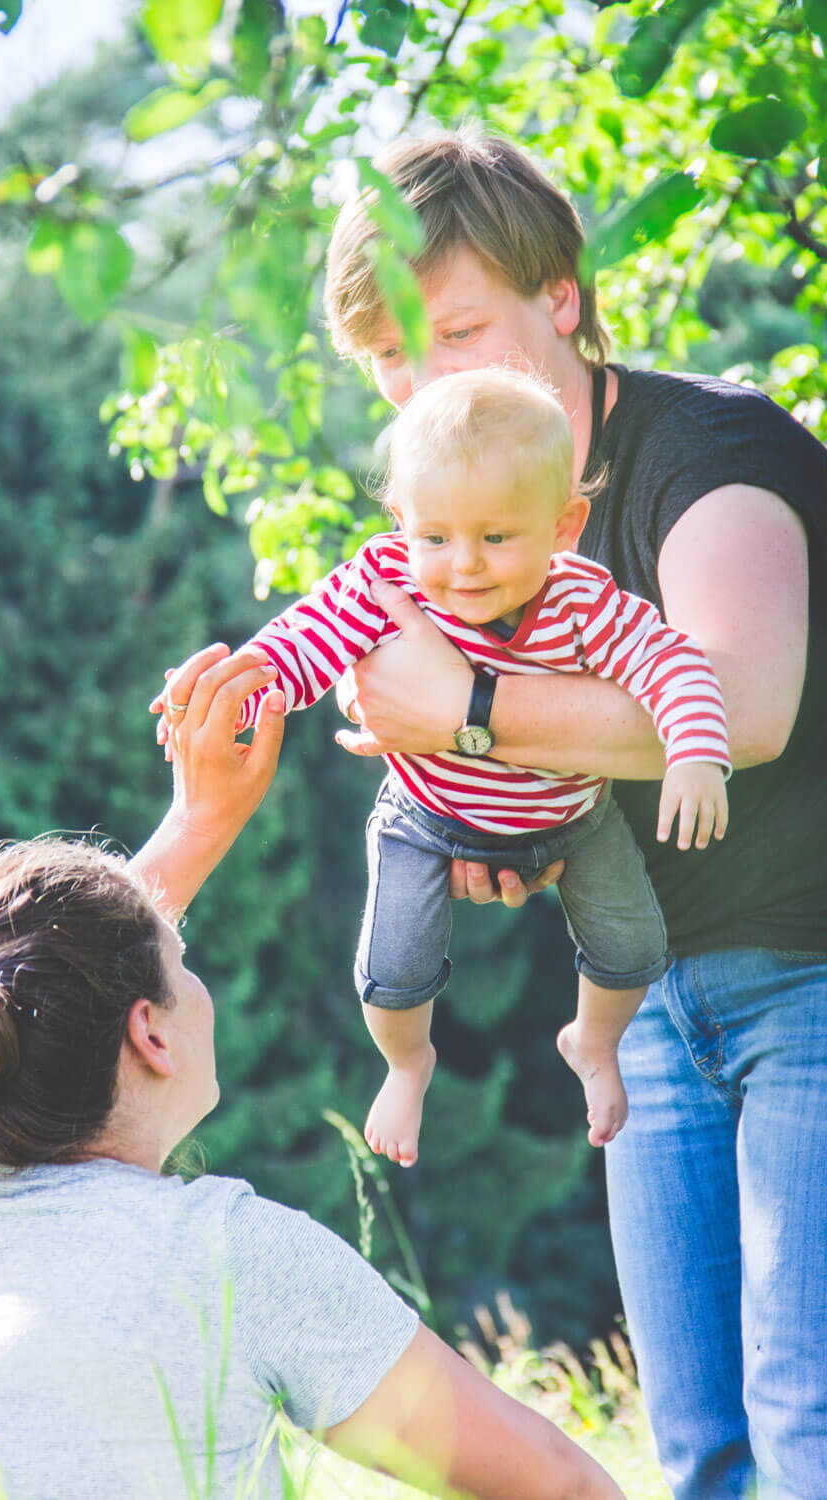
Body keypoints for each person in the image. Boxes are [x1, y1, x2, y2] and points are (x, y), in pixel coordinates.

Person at [321, 126, 827, 1500]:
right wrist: (504, 839)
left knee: (809, 1425)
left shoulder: (715, 451)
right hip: (651, 1008)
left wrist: (467, 706)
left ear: (563, 299)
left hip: (811, 987)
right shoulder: (477, 531)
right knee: (701, 1450)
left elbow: (749, 702)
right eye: (389, 364)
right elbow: (559, 769)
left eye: (459, 332)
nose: (426, 386)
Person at [0, 647, 624, 1500]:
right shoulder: (226, 1257)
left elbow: (39, 985)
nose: (194, 977)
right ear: (151, 1036)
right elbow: (563, 1489)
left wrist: (198, 823)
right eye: (184, 962)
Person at [158, 367, 729, 1167]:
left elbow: (676, 667)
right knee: (394, 968)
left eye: (498, 537)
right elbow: (299, 645)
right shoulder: (386, 581)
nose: (464, 566)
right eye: (436, 537)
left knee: (634, 945)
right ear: (400, 523)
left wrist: (697, 754)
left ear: (564, 525)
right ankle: (407, 1062)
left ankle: (594, 1042)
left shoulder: (583, 602)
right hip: (426, 818)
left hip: (573, 817)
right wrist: (234, 696)